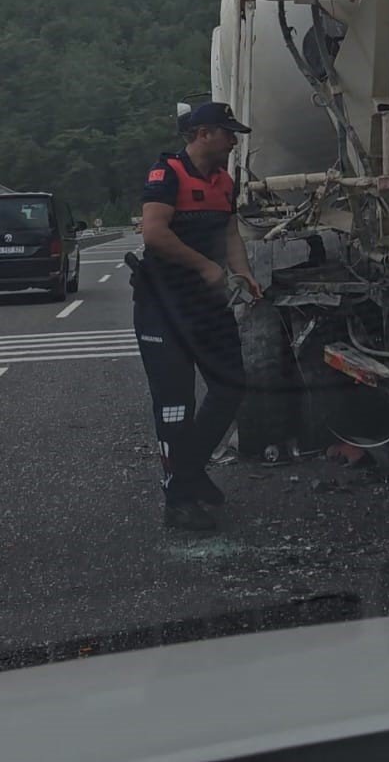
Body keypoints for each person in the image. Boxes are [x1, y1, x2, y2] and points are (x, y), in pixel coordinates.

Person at [134, 101, 262, 532]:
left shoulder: (224, 180)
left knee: (231, 385)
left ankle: (190, 472)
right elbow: (154, 233)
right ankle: (178, 500)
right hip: (164, 307)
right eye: (228, 133)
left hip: (209, 306)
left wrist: (242, 272)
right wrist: (206, 267)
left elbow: (229, 230)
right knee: (175, 406)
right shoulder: (167, 174)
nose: (233, 140)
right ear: (204, 133)